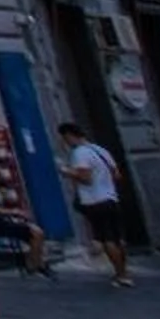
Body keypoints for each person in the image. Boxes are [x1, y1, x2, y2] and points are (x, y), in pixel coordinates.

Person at [58, 121, 130, 284]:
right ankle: (124, 271)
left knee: (107, 239)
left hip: (95, 200)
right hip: (111, 197)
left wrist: (66, 171)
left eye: (64, 139)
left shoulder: (80, 153)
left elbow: (85, 178)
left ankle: (121, 275)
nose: (65, 143)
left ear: (69, 135)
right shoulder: (101, 150)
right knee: (118, 237)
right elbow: (116, 175)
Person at [0, 168, 52, 275]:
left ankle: (36, 262)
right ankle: (34, 266)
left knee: (34, 232)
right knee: (37, 233)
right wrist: (15, 212)